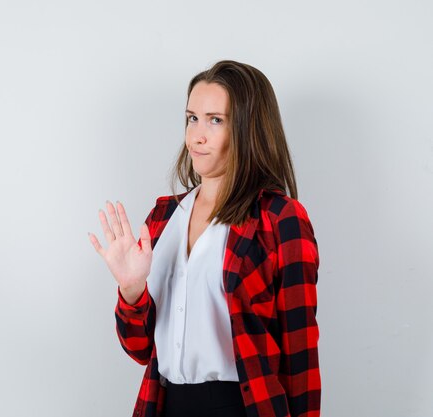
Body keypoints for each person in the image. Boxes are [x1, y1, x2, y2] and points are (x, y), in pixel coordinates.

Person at [88, 60, 321, 417]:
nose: (197, 135)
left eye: (216, 120)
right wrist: (131, 290)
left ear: (248, 128)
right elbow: (139, 349)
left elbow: (300, 353)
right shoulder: (164, 218)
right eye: (192, 118)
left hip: (241, 407)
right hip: (164, 404)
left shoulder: (279, 218)